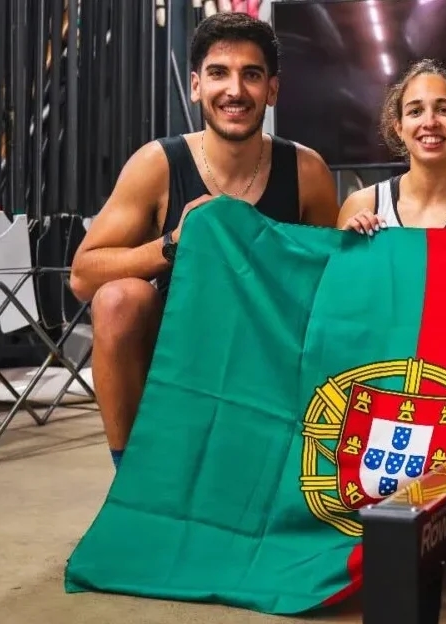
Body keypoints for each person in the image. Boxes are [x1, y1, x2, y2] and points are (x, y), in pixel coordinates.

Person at [69, 12, 340, 470]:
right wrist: (173, 243)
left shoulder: (306, 170)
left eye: (251, 75)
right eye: (218, 73)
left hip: (270, 352)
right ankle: (132, 477)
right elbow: (82, 275)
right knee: (119, 300)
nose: (234, 90)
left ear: (272, 90)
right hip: (182, 354)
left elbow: (334, 285)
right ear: (196, 85)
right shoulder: (158, 163)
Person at [338, 59, 446, 233]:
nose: (430, 123)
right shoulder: (361, 206)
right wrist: (349, 252)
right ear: (399, 128)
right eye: (415, 111)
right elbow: (338, 263)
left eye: (444, 110)